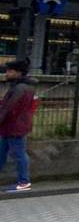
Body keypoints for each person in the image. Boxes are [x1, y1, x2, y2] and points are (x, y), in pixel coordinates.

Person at [0, 59, 37, 193]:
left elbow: (8, 108)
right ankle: (23, 181)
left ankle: (24, 181)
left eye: (10, 71)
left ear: (18, 73)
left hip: (14, 126)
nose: (7, 74)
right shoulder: (23, 87)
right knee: (2, 152)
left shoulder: (19, 88)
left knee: (19, 153)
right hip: (12, 126)